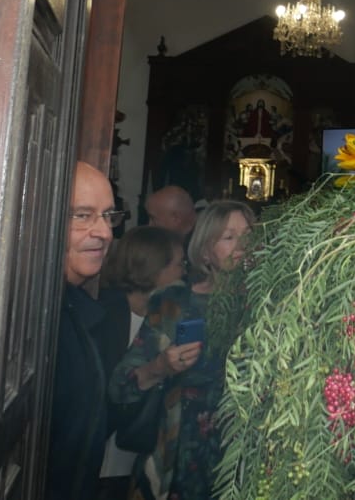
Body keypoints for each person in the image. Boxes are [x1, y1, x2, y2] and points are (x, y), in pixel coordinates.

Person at [111, 201, 256, 500]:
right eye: (229, 237)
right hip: (180, 457)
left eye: (249, 235)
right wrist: (160, 367)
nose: (242, 245)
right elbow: (120, 387)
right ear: (205, 251)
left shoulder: (271, 304)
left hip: (248, 458)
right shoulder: (173, 304)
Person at [46, 162, 131, 500]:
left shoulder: (75, 311)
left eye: (109, 216)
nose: (105, 232)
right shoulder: (31, 320)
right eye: (83, 215)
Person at [96, 227, 186, 500]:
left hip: (140, 457)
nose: (184, 272)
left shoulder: (171, 316)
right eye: (178, 264)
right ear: (153, 268)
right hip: (102, 463)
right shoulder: (103, 314)